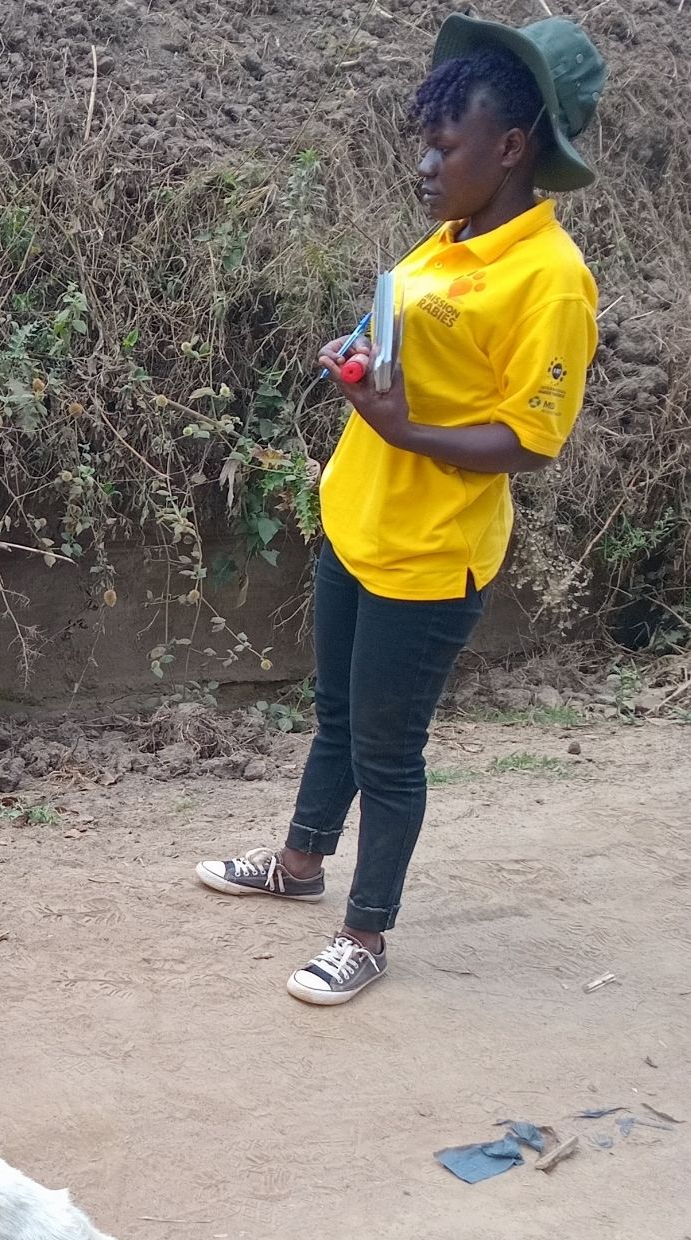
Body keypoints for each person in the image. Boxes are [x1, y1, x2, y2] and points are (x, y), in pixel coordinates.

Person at [195, 16, 606, 1005]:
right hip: (359, 520)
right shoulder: (452, 238)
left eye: (443, 144)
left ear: (509, 149)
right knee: (335, 713)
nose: (423, 163)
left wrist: (403, 425)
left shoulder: (549, 280)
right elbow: (415, 341)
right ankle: (296, 867)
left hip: (430, 551)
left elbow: (526, 441)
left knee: (388, 749)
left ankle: (364, 934)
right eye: (420, 141)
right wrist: (357, 350)